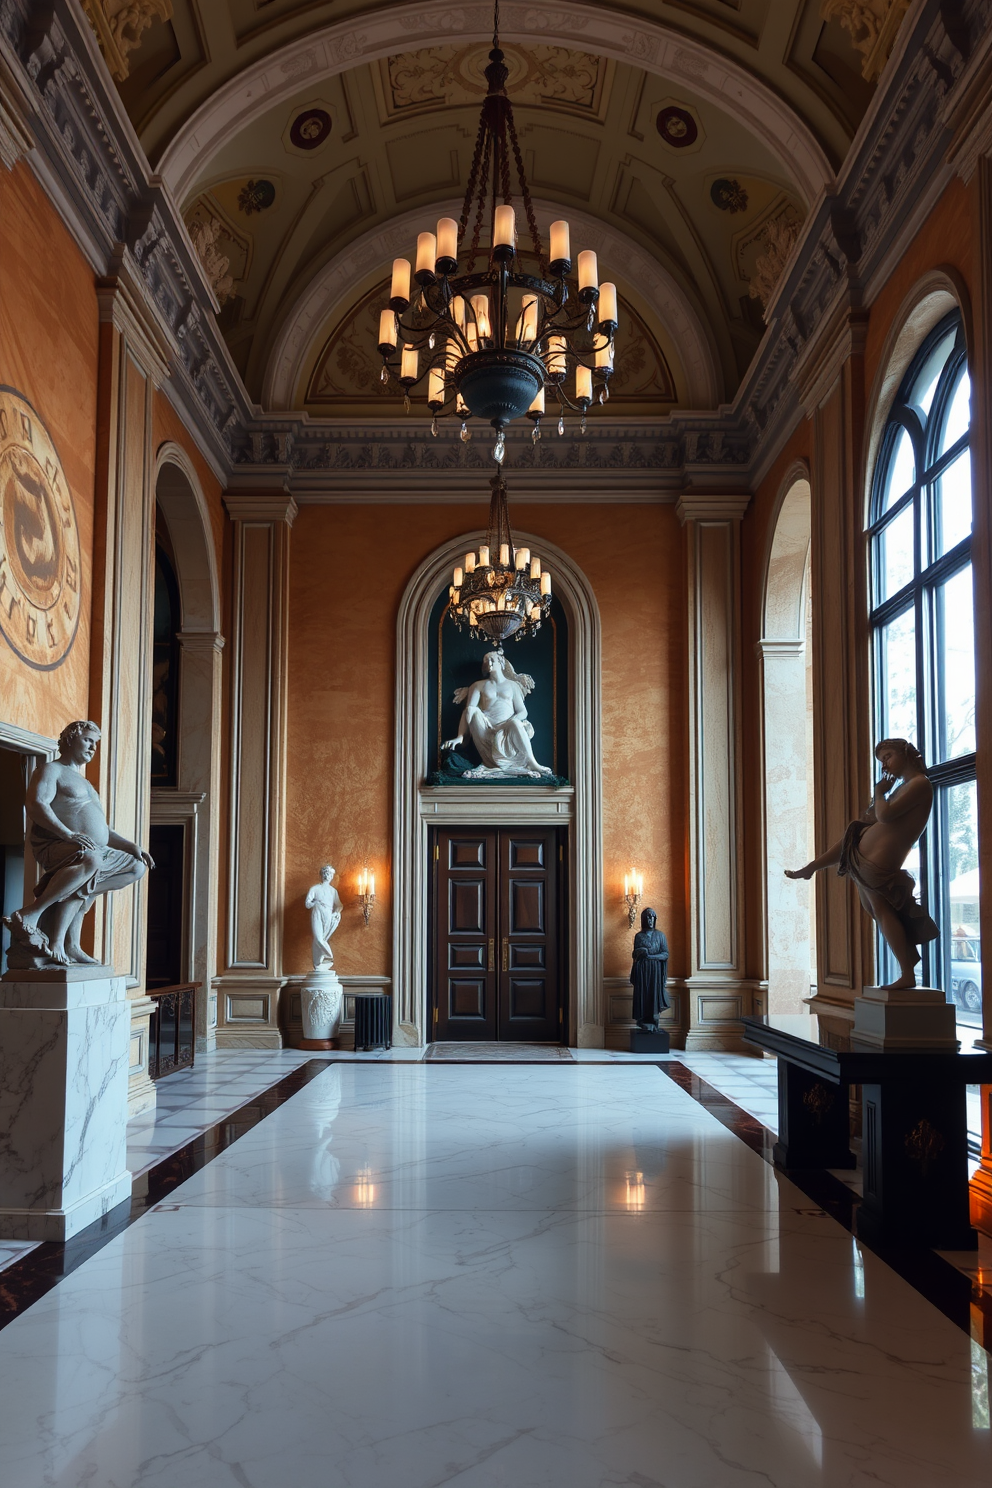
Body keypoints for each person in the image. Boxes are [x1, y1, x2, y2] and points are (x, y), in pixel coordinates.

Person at [785, 737, 937, 990]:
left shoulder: (920, 784)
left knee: (884, 913)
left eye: (888, 756)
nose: (885, 764)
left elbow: (885, 816)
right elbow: (859, 830)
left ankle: (908, 974)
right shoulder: (900, 790)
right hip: (862, 861)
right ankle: (906, 971)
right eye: (881, 761)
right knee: (879, 913)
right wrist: (813, 866)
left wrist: (879, 794)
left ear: (906, 753)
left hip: (879, 863)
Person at [3, 720, 153, 969]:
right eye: (87, 740)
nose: (93, 748)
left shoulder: (85, 784)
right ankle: (32, 913)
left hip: (87, 848)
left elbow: (103, 830)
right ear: (70, 739)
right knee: (91, 860)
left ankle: (69, 945)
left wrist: (131, 847)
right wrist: (67, 834)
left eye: (96, 743)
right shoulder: (51, 770)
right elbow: (36, 805)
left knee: (135, 867)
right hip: (56, 844)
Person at [442, 650, 553, 779]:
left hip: (508, 729)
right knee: (472, 710)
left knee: (516, 722)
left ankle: (532, 763)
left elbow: (523, 712)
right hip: (486, 729)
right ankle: (487, 757)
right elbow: (469, 710)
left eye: (492, 660)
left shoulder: (513, 686)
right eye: (486, 660)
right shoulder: (478, 686)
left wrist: (509, 722)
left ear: (501, 663)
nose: (489, 663)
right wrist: (460, 736)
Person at [630, 907, 669, 1030]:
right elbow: (634, 955)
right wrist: (639, 952)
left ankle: (653, 1019)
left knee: (654, 994)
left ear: (655, 919)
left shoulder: (660, 935)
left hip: (655, 971)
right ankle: (642, 1020)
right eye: (647, 917)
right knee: (643, 995)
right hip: (642, 971)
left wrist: (650, 956)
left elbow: (665, 954)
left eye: (652, 917)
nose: (649, 919)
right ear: (643, 920)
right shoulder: (639, 936)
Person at [305, 864, 341, 969]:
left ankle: (319, 963)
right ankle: (329, 957)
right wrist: (315, 904)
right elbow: (307, 904)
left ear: (332, 876)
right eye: (325, 873)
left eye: (329, 874)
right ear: (322, 875)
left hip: (328, 915)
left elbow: (339, 905)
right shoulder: (315, 889)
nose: (327, 875)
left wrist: (337, 912)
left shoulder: (333, 891)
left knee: (322, 939)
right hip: (317, 913)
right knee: (318, 938)